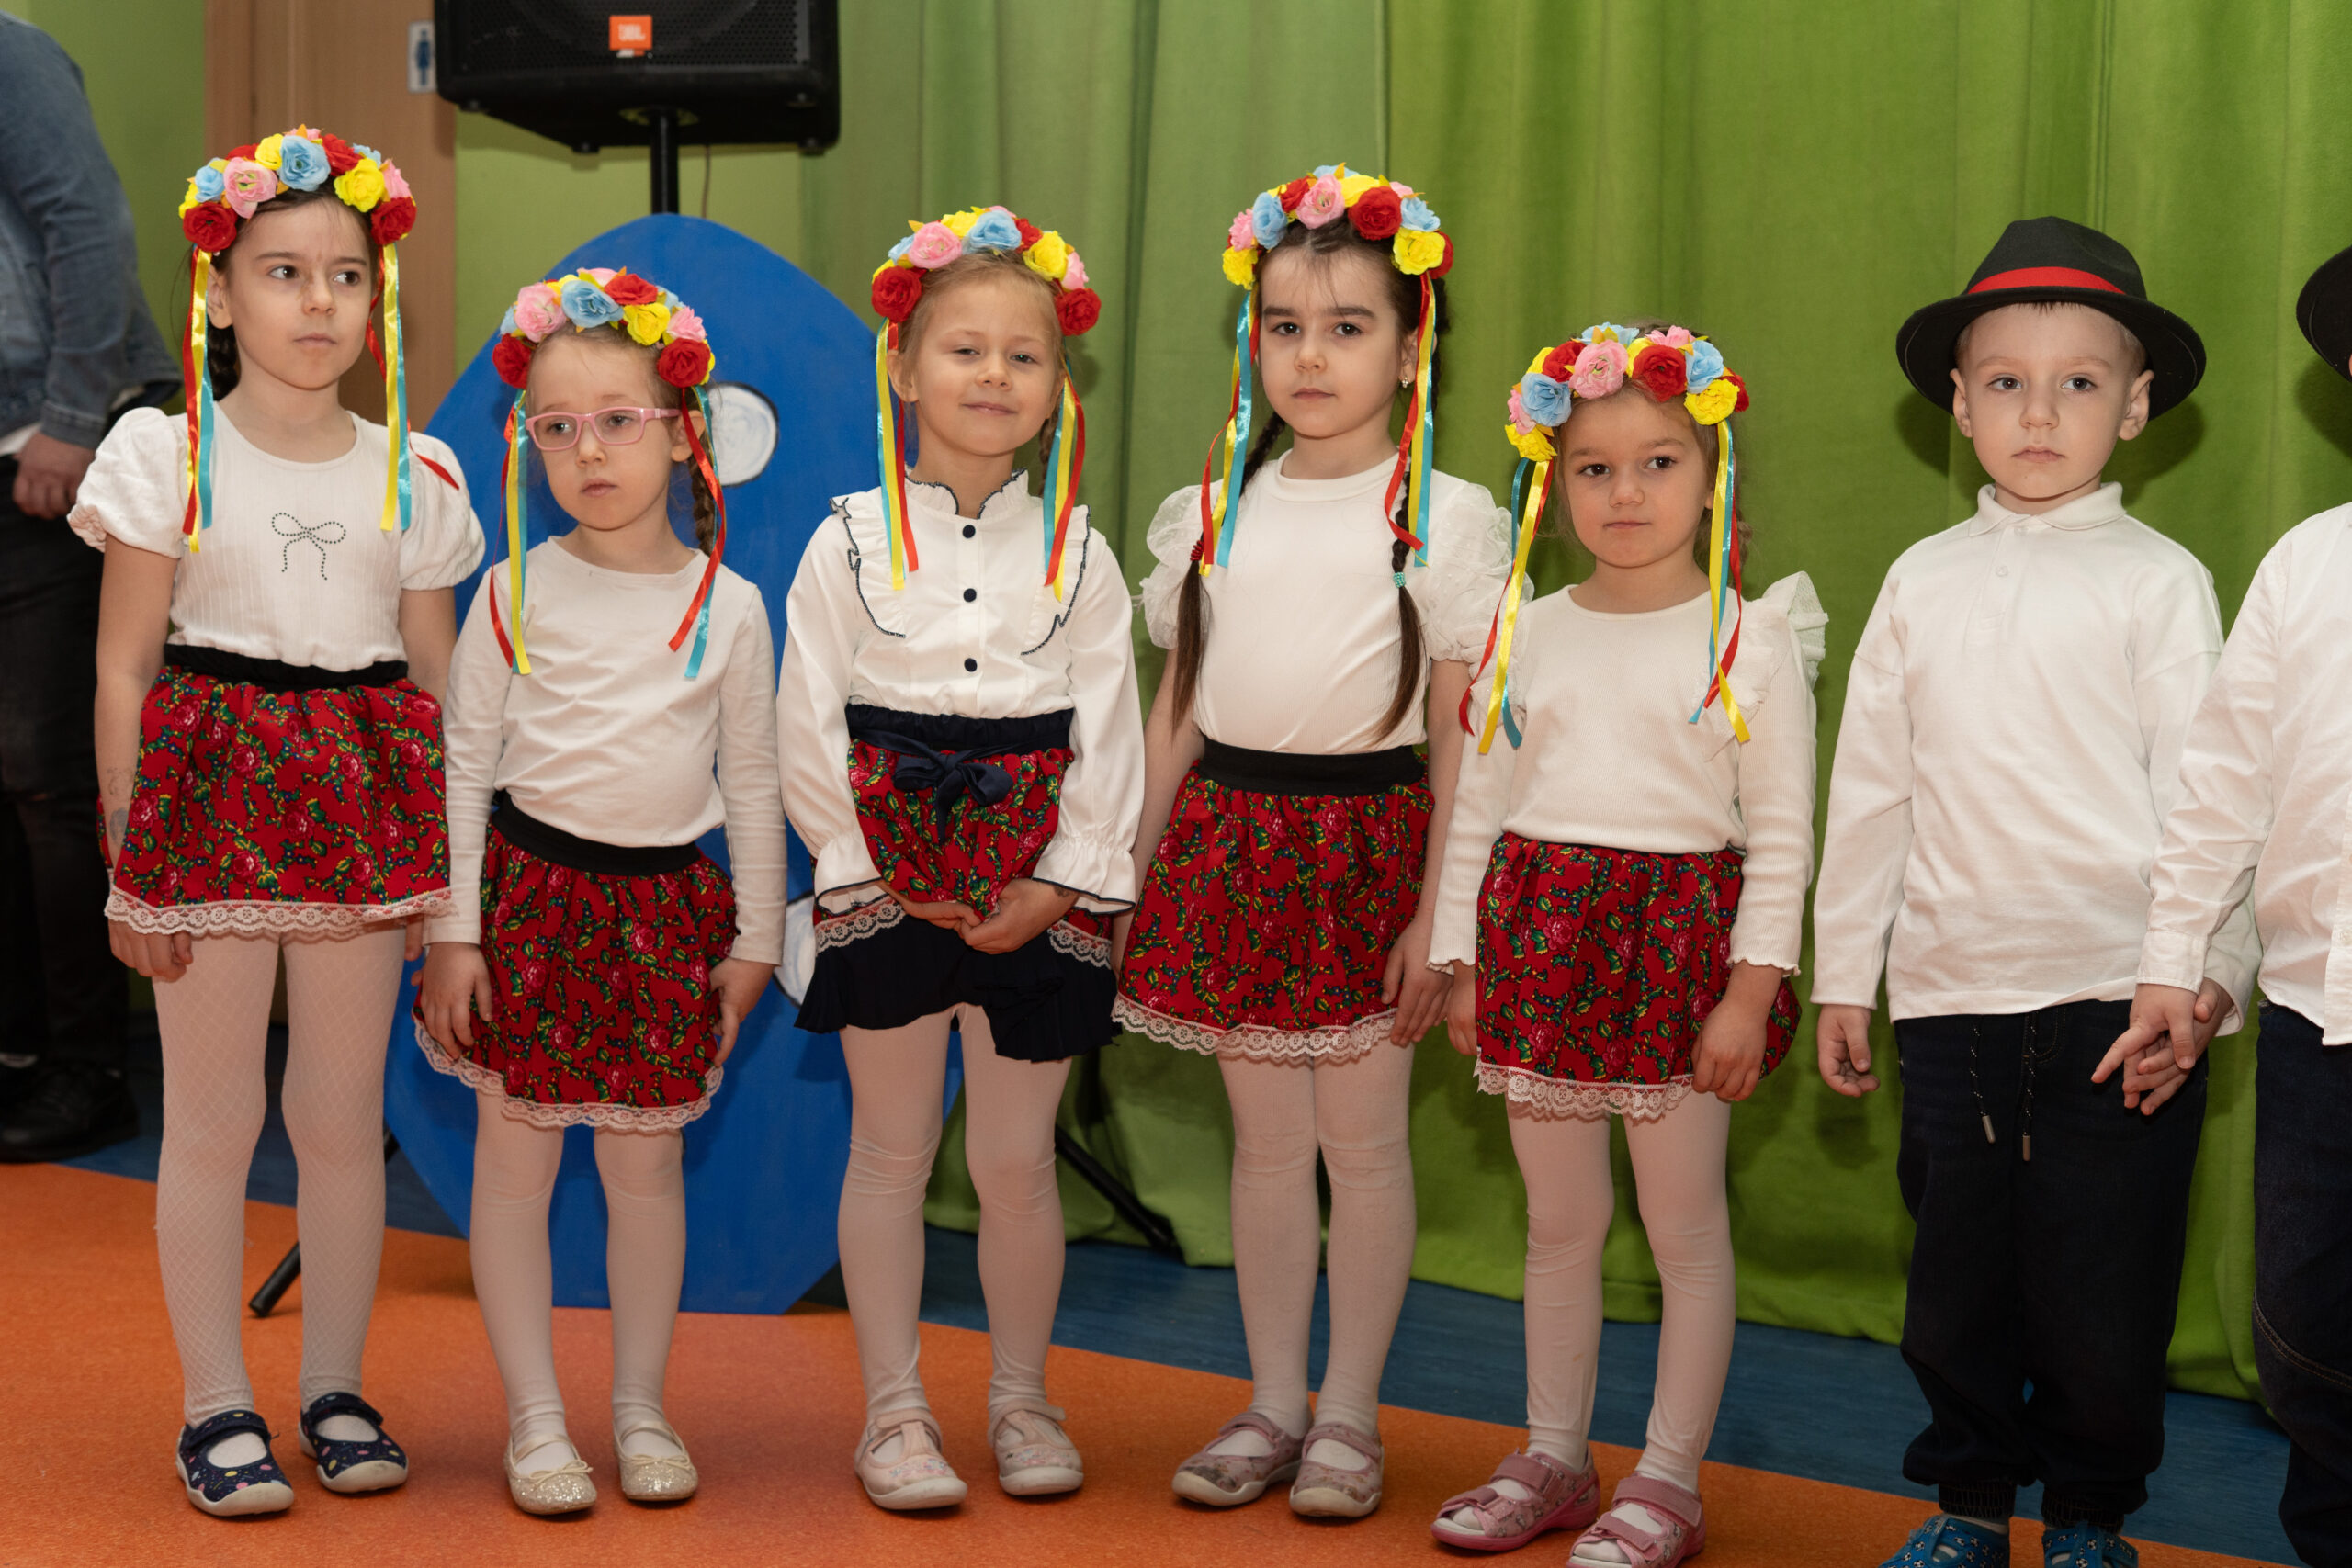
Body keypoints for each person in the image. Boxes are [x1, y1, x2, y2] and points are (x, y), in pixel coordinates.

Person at [1810, 217, 2256, 1568]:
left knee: (2101, 1279)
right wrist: (1847, 971)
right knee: (1956, 1280)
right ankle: (1965, 1501)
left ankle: (2086, 1515)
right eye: (2005, 381)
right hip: (1950, 993)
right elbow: (1871, 788)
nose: (2040, 413)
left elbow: (2214, 798)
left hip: (2119, 999)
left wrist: (2203, 972)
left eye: (2078, 383)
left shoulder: (2161, 583)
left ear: (2137, 407)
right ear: (1959, 405)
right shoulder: (1920, 579)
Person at [77, 128, 474, 1516]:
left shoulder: (417, 471)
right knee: (213, 1115)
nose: (319, 301)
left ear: (379, 300)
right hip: (206, 809)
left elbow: (437, 690)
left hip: (364, 812)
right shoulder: (164, 453)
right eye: (284, 271)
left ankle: (334, 1388)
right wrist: (130, 865)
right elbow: (124, 669)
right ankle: (215, 1404)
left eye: (347, 275)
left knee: (339, 1112)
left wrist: (448, 888)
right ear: (222, 290)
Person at [1122, 165, 1510, 1520]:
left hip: (1369, 853)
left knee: (1366, 1143)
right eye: (1284, 326)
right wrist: (1124, 871)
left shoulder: (1448, 517)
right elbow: (1177, 712)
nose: (1310, 355)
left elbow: (1462, 738)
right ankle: (1275, 1400)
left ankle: (1350, 1413)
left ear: (1409, 350)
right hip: (1232, 846)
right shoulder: (1213, 510)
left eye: (1347, 327)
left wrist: (1439, 917)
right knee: (1266, 1146)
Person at [1427, 322, 1816, 1565]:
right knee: (1558, 1222)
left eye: (1658, 462)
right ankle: (1553, 1454)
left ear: (1711, 475)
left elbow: (1783, 835)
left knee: (1684, 1226)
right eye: (1593, 468)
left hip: (1679, 957)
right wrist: (1461, 961)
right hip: (1538, 946)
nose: (1626, 492)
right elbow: (1479, 806)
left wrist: (1749, 993)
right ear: (1554, 486)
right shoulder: (1528, 626)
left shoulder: (1751, 635)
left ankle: (1669, 1481)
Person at [777, 207, 1140, 1509]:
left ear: (1058, 386)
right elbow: (804, 719)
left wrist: (1064, 876)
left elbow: (1112, 727)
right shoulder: (845, 540)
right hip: (891, 883)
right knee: (889, 1152)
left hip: (1037, 883)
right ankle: (894, 1413)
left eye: (1023, 356)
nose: (994, 375)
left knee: (1016, 1163)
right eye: (964, 349)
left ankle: (1022, 1398)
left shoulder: (1082, 553)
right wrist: (863, 871)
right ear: (903, 367)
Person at [413, 268, 783, 1516]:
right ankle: (533, 1420)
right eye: (557, 426)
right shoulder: (511, 591)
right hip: (527, 909)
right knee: (514, 1170)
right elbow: (464, 767)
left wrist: (756, 939)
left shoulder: (730, 606)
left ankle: (640, 1407)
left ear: (682, 434)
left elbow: (753, 779)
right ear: (529, 443)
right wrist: (454, 931)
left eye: (618, 420)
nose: (586, 450)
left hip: (664, 921)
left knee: (645, 1173)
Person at [2100, 243, 2352, 1568]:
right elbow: (2226, 788)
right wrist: (2179, 964)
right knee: (2309, 1325)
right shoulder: (2308, 564)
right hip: (2318, 1022)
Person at [0, 12, 178, 1161]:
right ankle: (19, 1049)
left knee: (45, 772)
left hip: (52, 442)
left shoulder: (8, 53)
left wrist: (69, 421)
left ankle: (87, 1065)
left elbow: (87, 224)